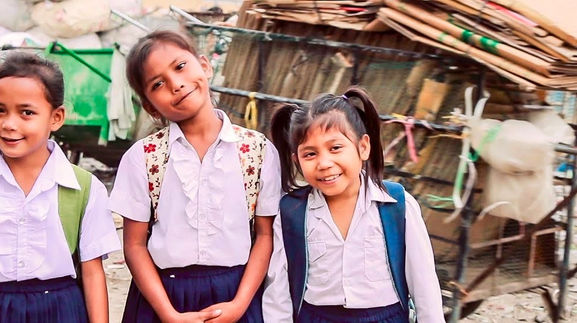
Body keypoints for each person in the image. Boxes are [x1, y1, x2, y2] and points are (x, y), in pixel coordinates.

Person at [0, 52, 120, 323]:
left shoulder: (86, 189)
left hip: (62, 311)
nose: (9, 124)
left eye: (26, 112)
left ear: (56, 117)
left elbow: (92, 272)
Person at [110, 30, 282, 322]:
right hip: (163, 298)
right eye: (158, 83)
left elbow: (265, 235)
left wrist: (240, 304)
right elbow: (135, 245)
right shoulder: (144, 157)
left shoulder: (258, 150)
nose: (176, 84)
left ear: (204, 65)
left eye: (180, 66)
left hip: (237, 293)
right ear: (150, 106)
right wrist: (169, 315)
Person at [264, 87, 445, 323]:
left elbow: (424, 284)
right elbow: (278, 292)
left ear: (363, 147)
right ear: (296, 160)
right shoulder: (291, 213)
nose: (325, 163)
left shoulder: (397, 205)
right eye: (310, 154)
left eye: (335, 148)